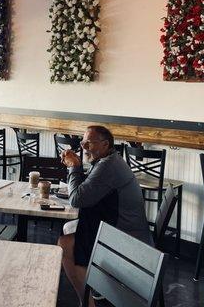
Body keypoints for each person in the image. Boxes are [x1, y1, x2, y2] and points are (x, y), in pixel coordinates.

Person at [57, 125, 152, 306]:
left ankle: (89, 302)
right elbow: (88, 192)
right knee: (70, 227)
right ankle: (95, 285)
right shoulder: (109, 160)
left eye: (89, 143)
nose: (84, 147)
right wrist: (77, 168)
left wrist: (74, 167)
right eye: (83, 142)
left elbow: (76, 199)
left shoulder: (108, 166)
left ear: (105, 144)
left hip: (129, 241)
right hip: (124, 229)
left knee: (64, 245)